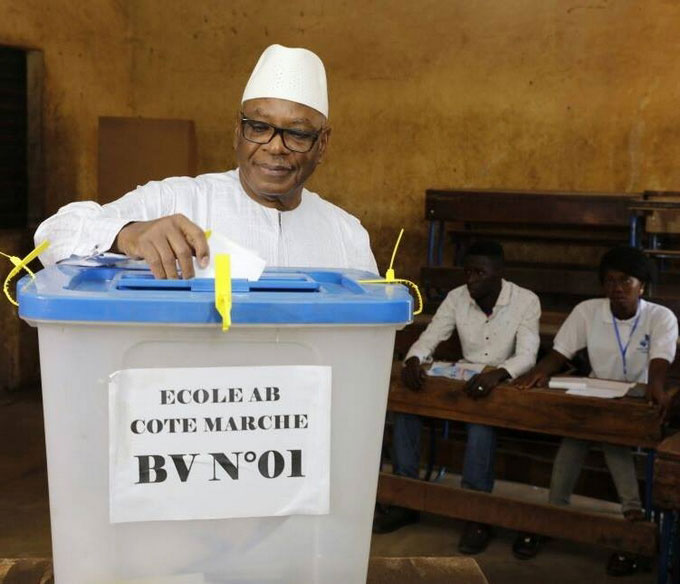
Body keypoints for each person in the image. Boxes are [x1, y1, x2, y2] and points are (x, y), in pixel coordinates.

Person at [34, 44, 378, 276]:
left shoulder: (346, 235)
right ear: (237, 131)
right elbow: (50, 237)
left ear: (323, 144)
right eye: (259, 127)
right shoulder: (176, 201)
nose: (275, 147)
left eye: (298, 134)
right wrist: (128, 233)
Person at [513, 246, 678, 575]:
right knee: (581, 432)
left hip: (639, 397)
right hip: (598, 392)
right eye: (610, 281)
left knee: (603, 432)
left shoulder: (660, 316)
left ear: (642, 285)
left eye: (625, 281)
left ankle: (566, 513)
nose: (617, 288)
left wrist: (657, 387)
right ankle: (622, 515)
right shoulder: (589, 310)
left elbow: (660, 358)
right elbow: (560, 352)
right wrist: (539, 371)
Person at [373, 241, 541, 555]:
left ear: (499, 274)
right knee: (408, 405)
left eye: (480, 272)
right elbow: (431, 337)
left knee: (480, 423)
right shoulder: (456, 298)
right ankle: (405, 499)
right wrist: (413, 360)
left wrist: (498, 374)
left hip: (498, 380)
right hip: (464, 375)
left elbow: (528, 355)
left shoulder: (525, 301)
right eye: (468, 272)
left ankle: (475, 514)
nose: (472, 279)